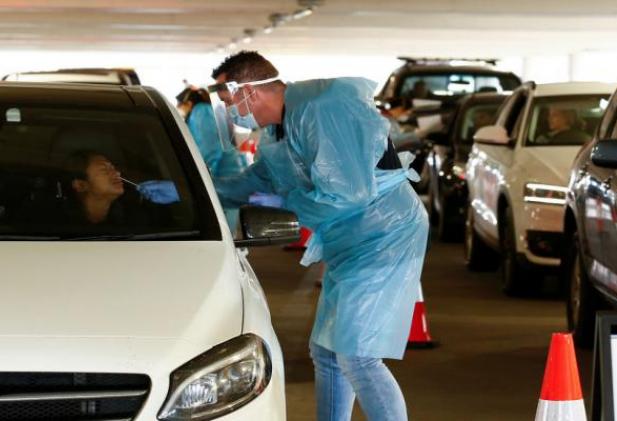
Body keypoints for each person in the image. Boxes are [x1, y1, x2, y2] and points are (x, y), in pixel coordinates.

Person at [208, 51, 429, 421]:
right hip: (349, 240)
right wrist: (203, 189)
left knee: (357, 355)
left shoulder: (323, 108)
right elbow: (257, 180)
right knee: (327, 351)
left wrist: (286, 201)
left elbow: (347, 194)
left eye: (230, 102)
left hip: (384, 234)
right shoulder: (278, 129)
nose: (231, 112)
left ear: (249, 91)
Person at [176, 86, 247, 231]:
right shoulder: (210, 110)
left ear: (188, 104)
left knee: (221, 228)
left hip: (222, 175)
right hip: (230, 174)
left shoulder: (201, 111)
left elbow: (211, 149)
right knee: (226, 229)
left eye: (180, 106)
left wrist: (201, 180)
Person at [65, 150, 180, 225]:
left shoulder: (135, 217)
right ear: (80, 185)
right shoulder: (62, 223)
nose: (118, 173)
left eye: (113, 167)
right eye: (105, 170)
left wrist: (180, 193)